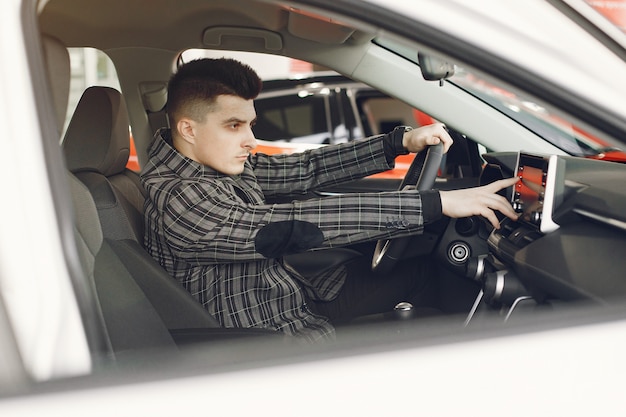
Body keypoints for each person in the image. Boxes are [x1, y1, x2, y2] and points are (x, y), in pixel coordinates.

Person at [141, 58, 519, 343]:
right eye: (234, 126)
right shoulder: (176, 196)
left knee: (426, 272)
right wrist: (434, 205)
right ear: (188, 129)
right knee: (433, 302)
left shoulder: (217, 167)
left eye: (250, 124)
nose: (250, 141)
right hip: (268, 339)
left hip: (294, 300)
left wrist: (398, 143)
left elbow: (307, 169)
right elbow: (285, 227)